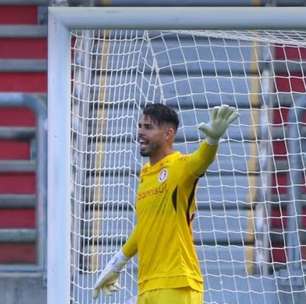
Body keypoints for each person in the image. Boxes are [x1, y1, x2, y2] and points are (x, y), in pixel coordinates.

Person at [93, 103, 239, 304]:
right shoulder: (145, 175)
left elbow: (200, 160)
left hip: (177, 284)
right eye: (140, 126)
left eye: (148, 127)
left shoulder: (179, 166)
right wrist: (116, 264)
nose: (141, 132)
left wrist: (212, 140)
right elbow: (145, 227)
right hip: (148, 285)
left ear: (168, 134)